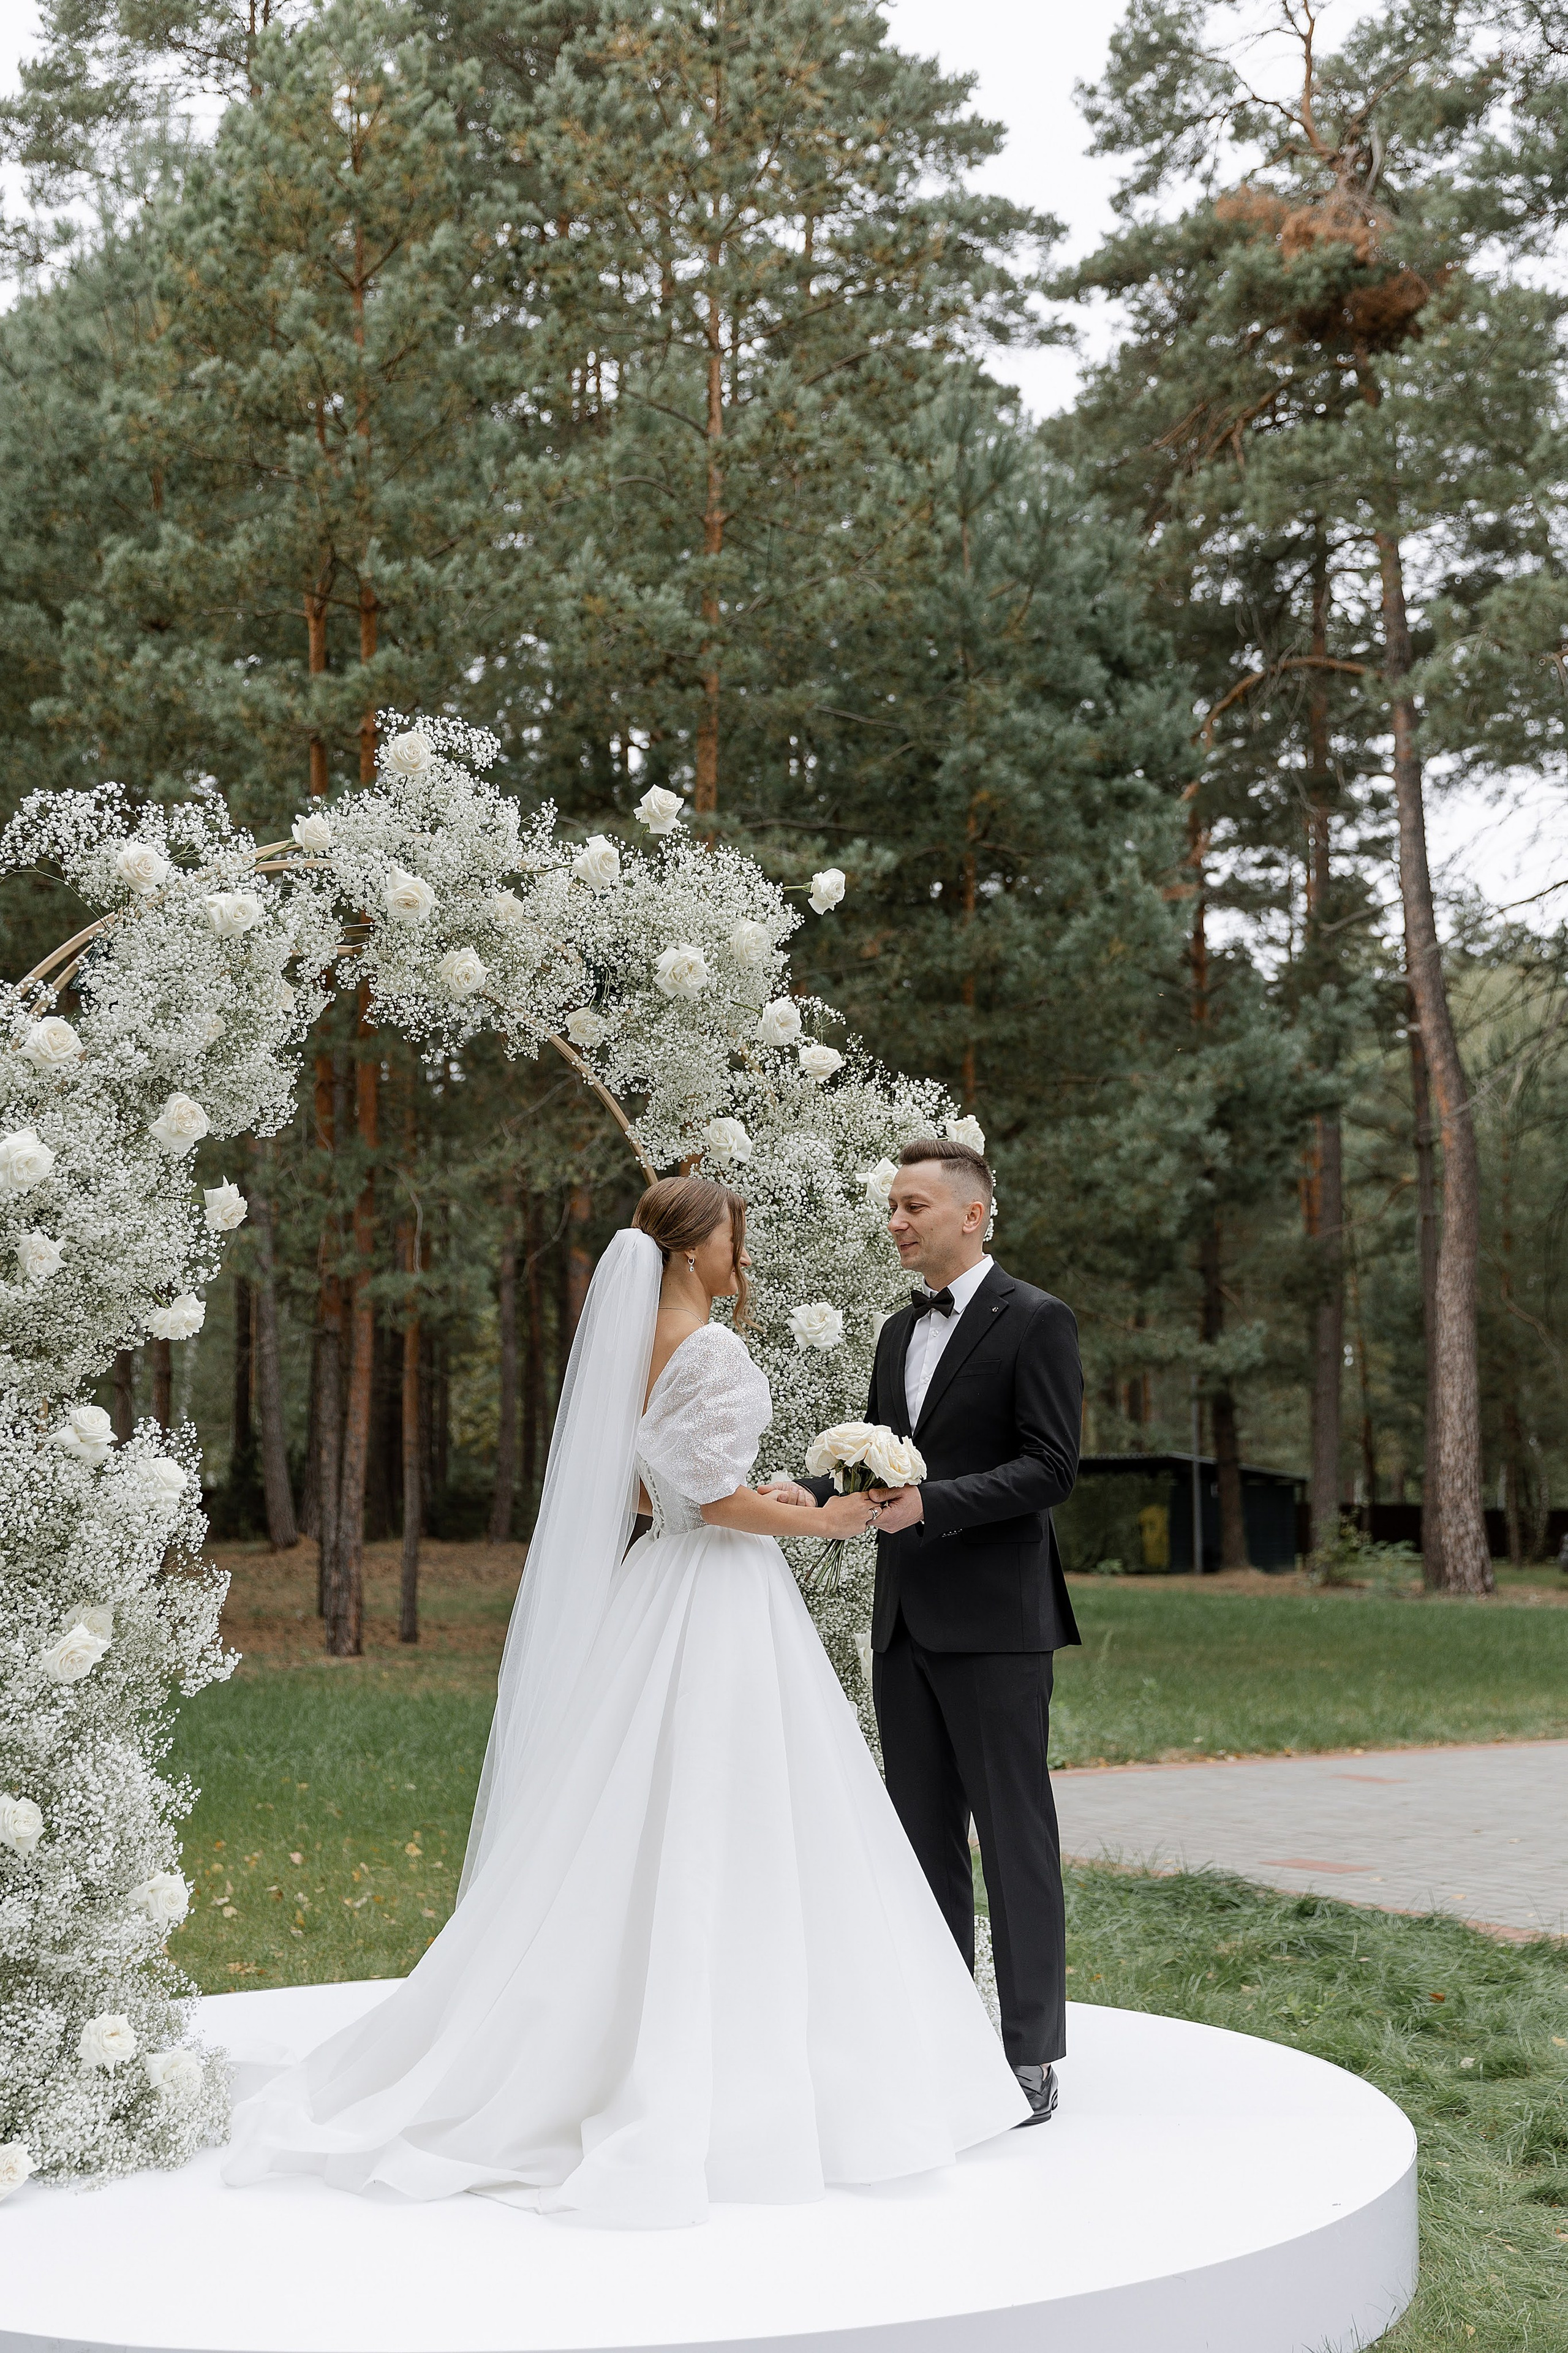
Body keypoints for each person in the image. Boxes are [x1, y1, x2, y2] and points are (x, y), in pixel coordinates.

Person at [224, 1177, 1027, 2226]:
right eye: (738, 1236)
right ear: (697, 1251)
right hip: (722, 1599)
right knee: (744, 1805)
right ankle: (753, 2052)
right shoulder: (713, 1348)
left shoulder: (633, 1345)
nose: (747, 1255)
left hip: (659, 1583)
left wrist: (765, 1494)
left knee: (633, 1807)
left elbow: (656, 1490)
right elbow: (712, 1496)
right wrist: (823, 1521)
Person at [767, 1137, 1082, 2125]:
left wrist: (933, 1504)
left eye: (912, 1206)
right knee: (921, 1841)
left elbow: (1052, 1467)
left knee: (1014, 1838)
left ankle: (1030, 2055)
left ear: (972, 1212)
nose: (896, 1223)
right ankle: (944, 2037)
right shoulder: (896, 1333)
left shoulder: (1037, 1321)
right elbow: (874, 1463)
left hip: (996, 1624)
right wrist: (808, 1488)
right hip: (903, 1621)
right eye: (891, 1208)